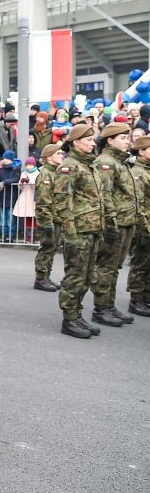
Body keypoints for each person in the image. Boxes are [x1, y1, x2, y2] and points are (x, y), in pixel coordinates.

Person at [54, 124, 105, 339]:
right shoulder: (69, 167)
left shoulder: (89, 166)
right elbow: (63, 202)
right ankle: (69, 318)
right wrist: (71, 234)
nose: (93, 143)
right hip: (79, 231)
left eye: (93, 140)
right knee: (75, 275)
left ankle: (78, 313)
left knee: (86, 276)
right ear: (75, 142)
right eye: (88, 140)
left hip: (92, 228)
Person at [91, 122, 137, 327]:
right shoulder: (106, 162)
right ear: (110, 140)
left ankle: (109, 305)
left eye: (128, 137)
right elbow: (105, 195)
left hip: (126, 221)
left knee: (115, 266)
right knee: (107, 266)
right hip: (115, 222)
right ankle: (100, 308)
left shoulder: (121, 162)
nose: (127, 141)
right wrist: (110, 224)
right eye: (122, 138)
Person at [33, 143, 65, 292]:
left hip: (57, 216)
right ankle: (40, 278)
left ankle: (46, 276)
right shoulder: (46, 174)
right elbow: (43, 201)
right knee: (46, 248)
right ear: (49, 157)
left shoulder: (55, 172)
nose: (61, 155)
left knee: (52, 248)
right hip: (49, 217)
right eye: (58, 153)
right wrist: (46, 222)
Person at [126, 136, 150, 317]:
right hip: (143, 224)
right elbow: (138, 203)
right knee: (140, 263)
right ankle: (136, 299)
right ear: (141, 151)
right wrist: (144, 227)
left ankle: (145, 297)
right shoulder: (138, 172)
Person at [0, 151, 21, 243]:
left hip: (11, 197)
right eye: (4, 158)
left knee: (10, 219)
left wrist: (4, 182)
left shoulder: (16, 169)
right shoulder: (1, 169)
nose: (5, 160)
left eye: (7, 158)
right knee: (2, 219)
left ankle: (11, 236)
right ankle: (3, 235)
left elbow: (15, 179)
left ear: (11, 159)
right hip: (2, 196)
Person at [13, 157, 40, 243]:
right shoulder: (24, 173)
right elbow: (20, 187)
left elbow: (37, 186)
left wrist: (30, 181)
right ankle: (27, 236)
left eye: (31, 165)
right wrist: (21, 182)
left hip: (33, 196)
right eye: (27, 165)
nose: (29, 166)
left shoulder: (38, 173)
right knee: (27, 215)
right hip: (25, 195)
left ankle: (33, 236)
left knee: (33, 216)